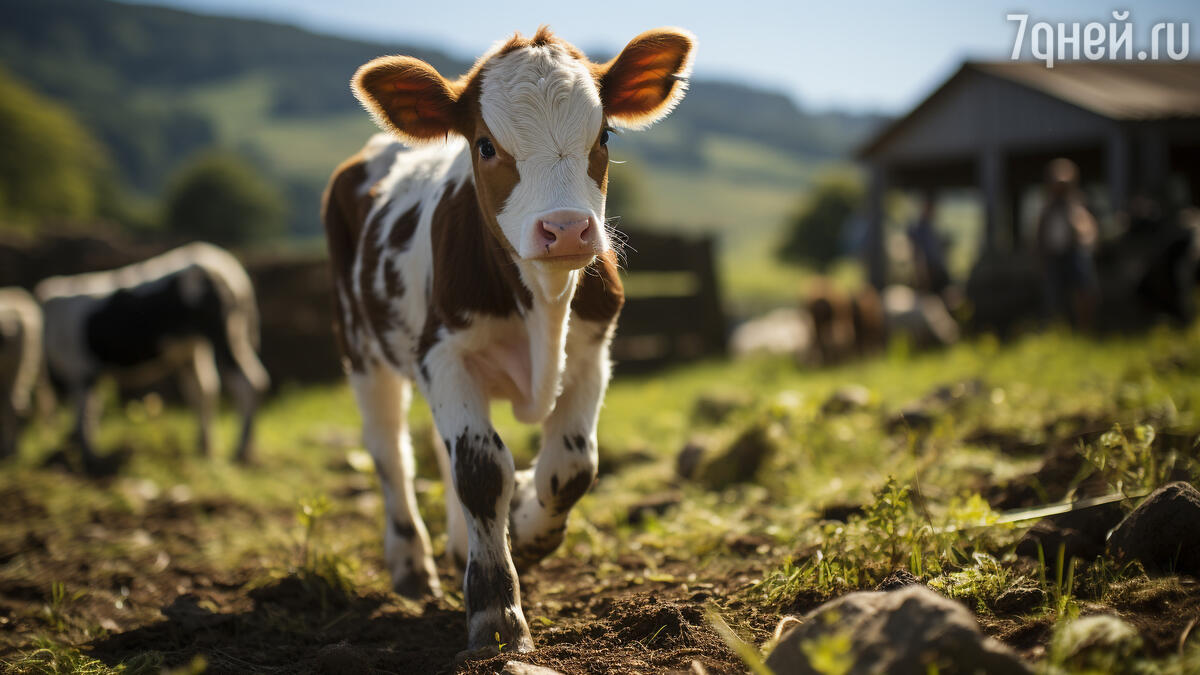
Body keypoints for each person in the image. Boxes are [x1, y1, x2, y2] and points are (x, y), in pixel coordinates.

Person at [1035, 158, 1099, 329]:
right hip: (1052, 257)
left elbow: (1089, 231)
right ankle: (1056, 328)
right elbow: (1039, 235)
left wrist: (1084, 242)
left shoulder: (1078, 205)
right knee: (1053, 295)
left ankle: (1084, 326)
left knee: (1083, 289)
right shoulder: (1047, 209)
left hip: (1073, 253)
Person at [907, 192, 949, 295]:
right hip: (928, 272)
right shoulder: (918, 229)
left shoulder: (930, 228)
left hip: (935, 272)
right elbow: (918, 253)